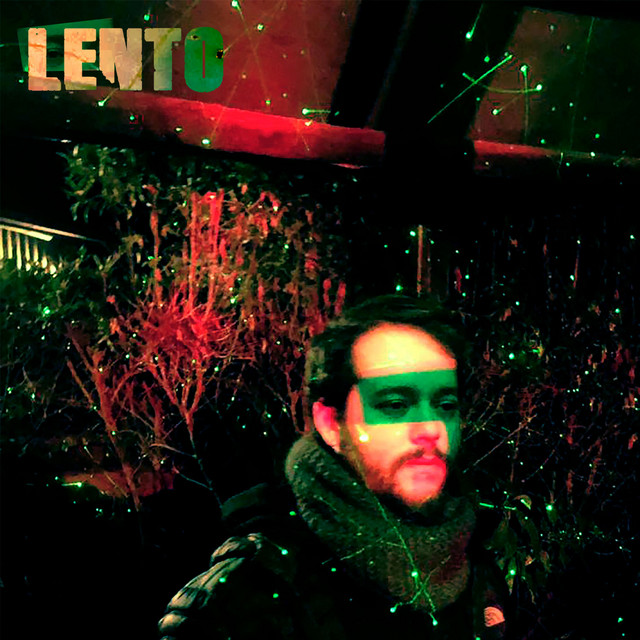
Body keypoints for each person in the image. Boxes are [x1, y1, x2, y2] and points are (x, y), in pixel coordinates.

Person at [158, 295, 509, 639]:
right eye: (395, 404)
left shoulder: (478, 574)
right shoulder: (245, 602)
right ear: (330, 424)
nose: (431, 429)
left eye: (445, 405)